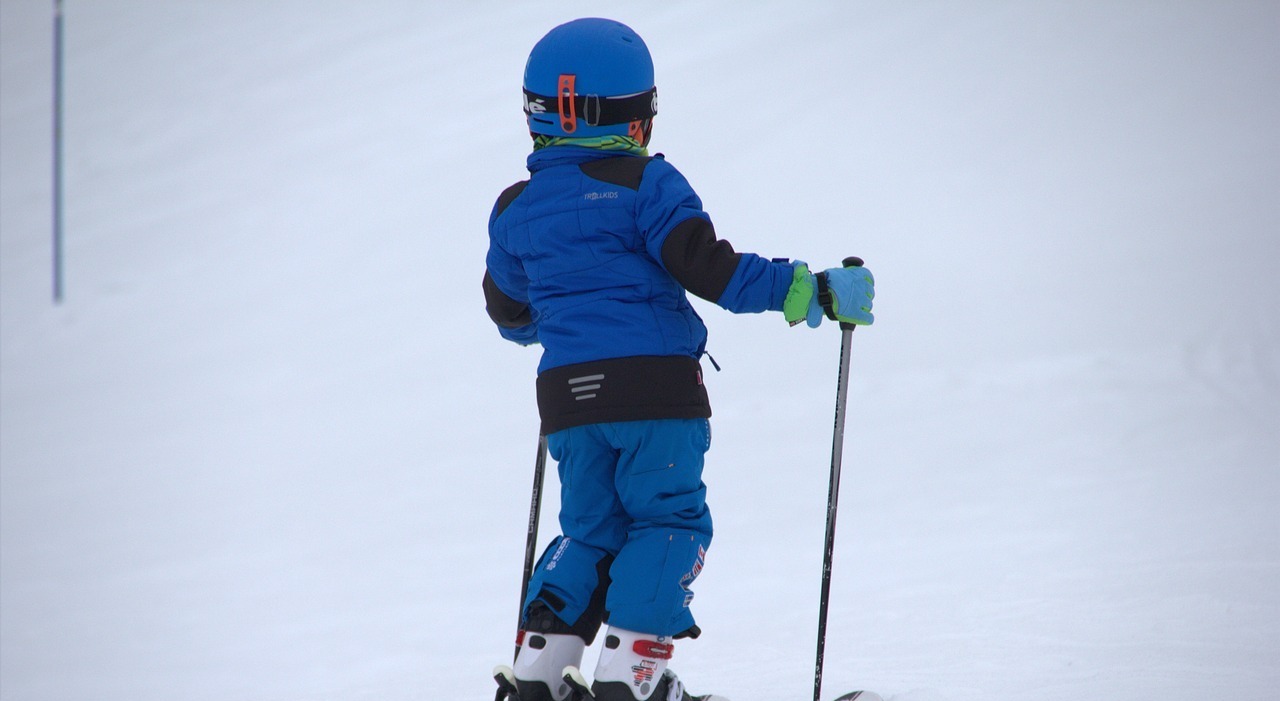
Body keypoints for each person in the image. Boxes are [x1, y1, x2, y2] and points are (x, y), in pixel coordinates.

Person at [483, 17, 875, 701]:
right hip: (655, 392)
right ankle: (631, 676)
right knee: (668, 522)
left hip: (568, 402)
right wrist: (810, 289)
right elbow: (710, 270)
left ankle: (541, 668)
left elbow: (510, 312)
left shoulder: (516, 208)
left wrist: (563, 315)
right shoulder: (648, 186)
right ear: (637, 120)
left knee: (590, 530)